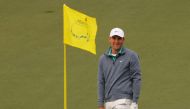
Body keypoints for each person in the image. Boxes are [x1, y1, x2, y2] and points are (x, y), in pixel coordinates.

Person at [97, 28, 141, 109]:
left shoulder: (132, 56)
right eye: (114, 38)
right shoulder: (102, 59)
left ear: (123, 40)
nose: (116, 41)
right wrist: (100, 105)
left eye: (119, 38)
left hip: (124, 101)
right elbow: (101, 82)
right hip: (108, 103)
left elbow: (136, 78)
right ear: (109, 39)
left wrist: (135, 102)